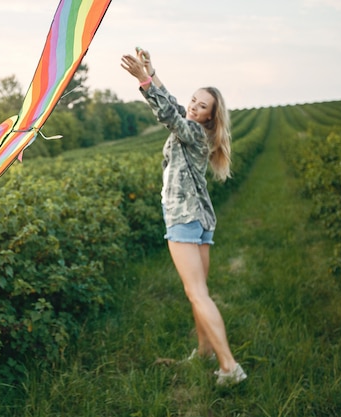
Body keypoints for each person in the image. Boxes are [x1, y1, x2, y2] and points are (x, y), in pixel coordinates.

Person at [120, 48, 246, 385]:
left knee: (196, 293)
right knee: (199, 289)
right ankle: (205, 349)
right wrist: (152, 72)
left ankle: (229, 367)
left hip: (184, 217)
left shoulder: (193, 133)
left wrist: (143, 81)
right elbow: (176, 108)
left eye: (202, 106)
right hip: (200, 219)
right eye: (194, 100)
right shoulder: (194, 126)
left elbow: (170, 116)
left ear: (210, 117)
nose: (193, 106)